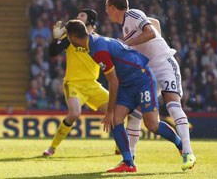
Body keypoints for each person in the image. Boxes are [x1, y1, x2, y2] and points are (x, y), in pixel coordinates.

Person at [64, 19, 183, 173]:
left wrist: (109, 111)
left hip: (141, 80)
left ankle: (181, 145)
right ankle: (129, 163)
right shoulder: (92, 40)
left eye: (67, 36)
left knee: (152, 125)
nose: (67, 39)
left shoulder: (97, 50)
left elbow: (113, 82)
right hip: (127, 84)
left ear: (73, 37)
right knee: (116, 120)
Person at [105, 0, 196, 171]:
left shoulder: (133, 14)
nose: (106, 11)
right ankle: (129, 161)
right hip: (148, 74)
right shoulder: (125, 28)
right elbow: (156, 24)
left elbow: (151, 32)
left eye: (107, 7)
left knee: (173, 106)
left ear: (113, 7)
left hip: (165, 64)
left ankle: (188, 151)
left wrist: (126, 44)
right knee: (135, 115)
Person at [43, 9, 114, 156]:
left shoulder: (98, 41)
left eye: (82, 15)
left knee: (118, 111)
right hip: (74, 83)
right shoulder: (70, 39)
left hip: (93, 85)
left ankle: (121, 148)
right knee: (74, 113)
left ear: (91, 21)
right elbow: (53, 52)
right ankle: (52, 148)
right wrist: (55, 38)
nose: (78, 17)